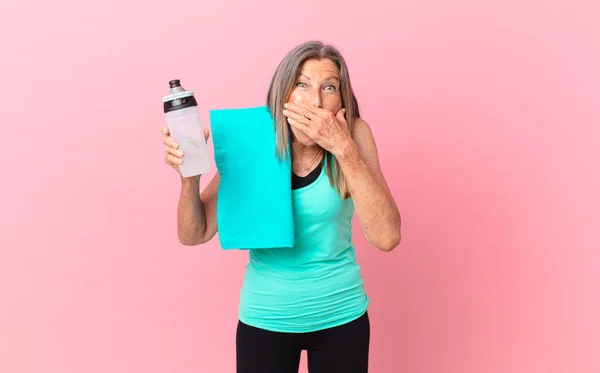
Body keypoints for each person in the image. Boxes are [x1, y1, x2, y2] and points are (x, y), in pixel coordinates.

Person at [161, 40, 401, 373]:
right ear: (283, 94)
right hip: (265, 318)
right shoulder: (255, 138)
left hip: (341, 314)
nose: (314, 100)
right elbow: (194, 233)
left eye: (328, 87)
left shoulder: (354, 134)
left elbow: (387, 237)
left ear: (341, 99)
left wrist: (342, 147)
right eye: (302, 85)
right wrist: (189, 176)